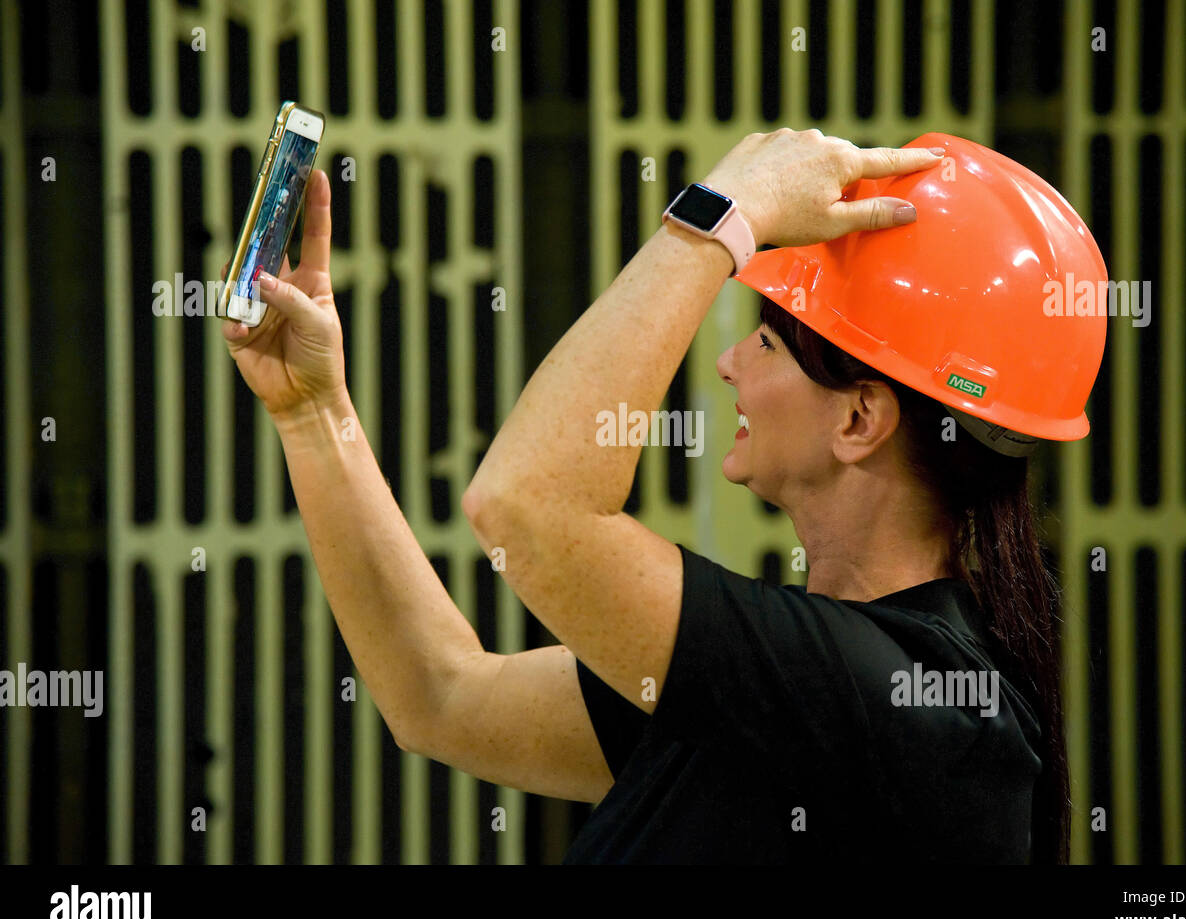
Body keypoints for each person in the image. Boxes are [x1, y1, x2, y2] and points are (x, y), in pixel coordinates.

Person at [223, 127, 1106, 864]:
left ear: (861, 417)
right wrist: (315, 414)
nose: (728, 363)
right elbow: (441, 696)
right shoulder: (803, 679)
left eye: (765, 340)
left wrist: (724, 215)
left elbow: (528, 508)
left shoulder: (914, 707)